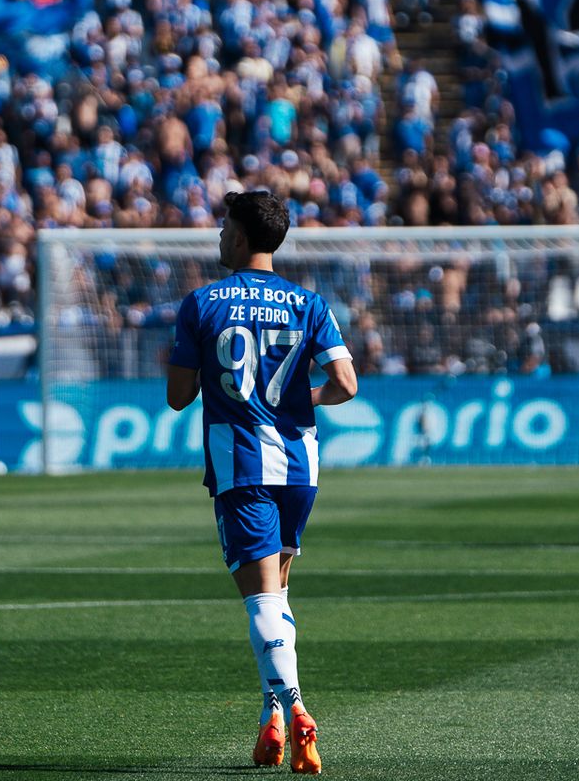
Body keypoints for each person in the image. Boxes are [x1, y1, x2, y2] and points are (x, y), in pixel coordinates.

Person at [166, 190, 358, 774]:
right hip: (300, 466)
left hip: (242, 464)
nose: (219, 236)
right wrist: (298, 397)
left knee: (262, 599)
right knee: (277, 597)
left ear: (244, 236)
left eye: (225, 227)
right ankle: (269, 719)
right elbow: (347, 383)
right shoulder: (308, 303)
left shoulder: (202, 302)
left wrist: (210, 374)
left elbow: (178, 397)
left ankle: (297, 709)